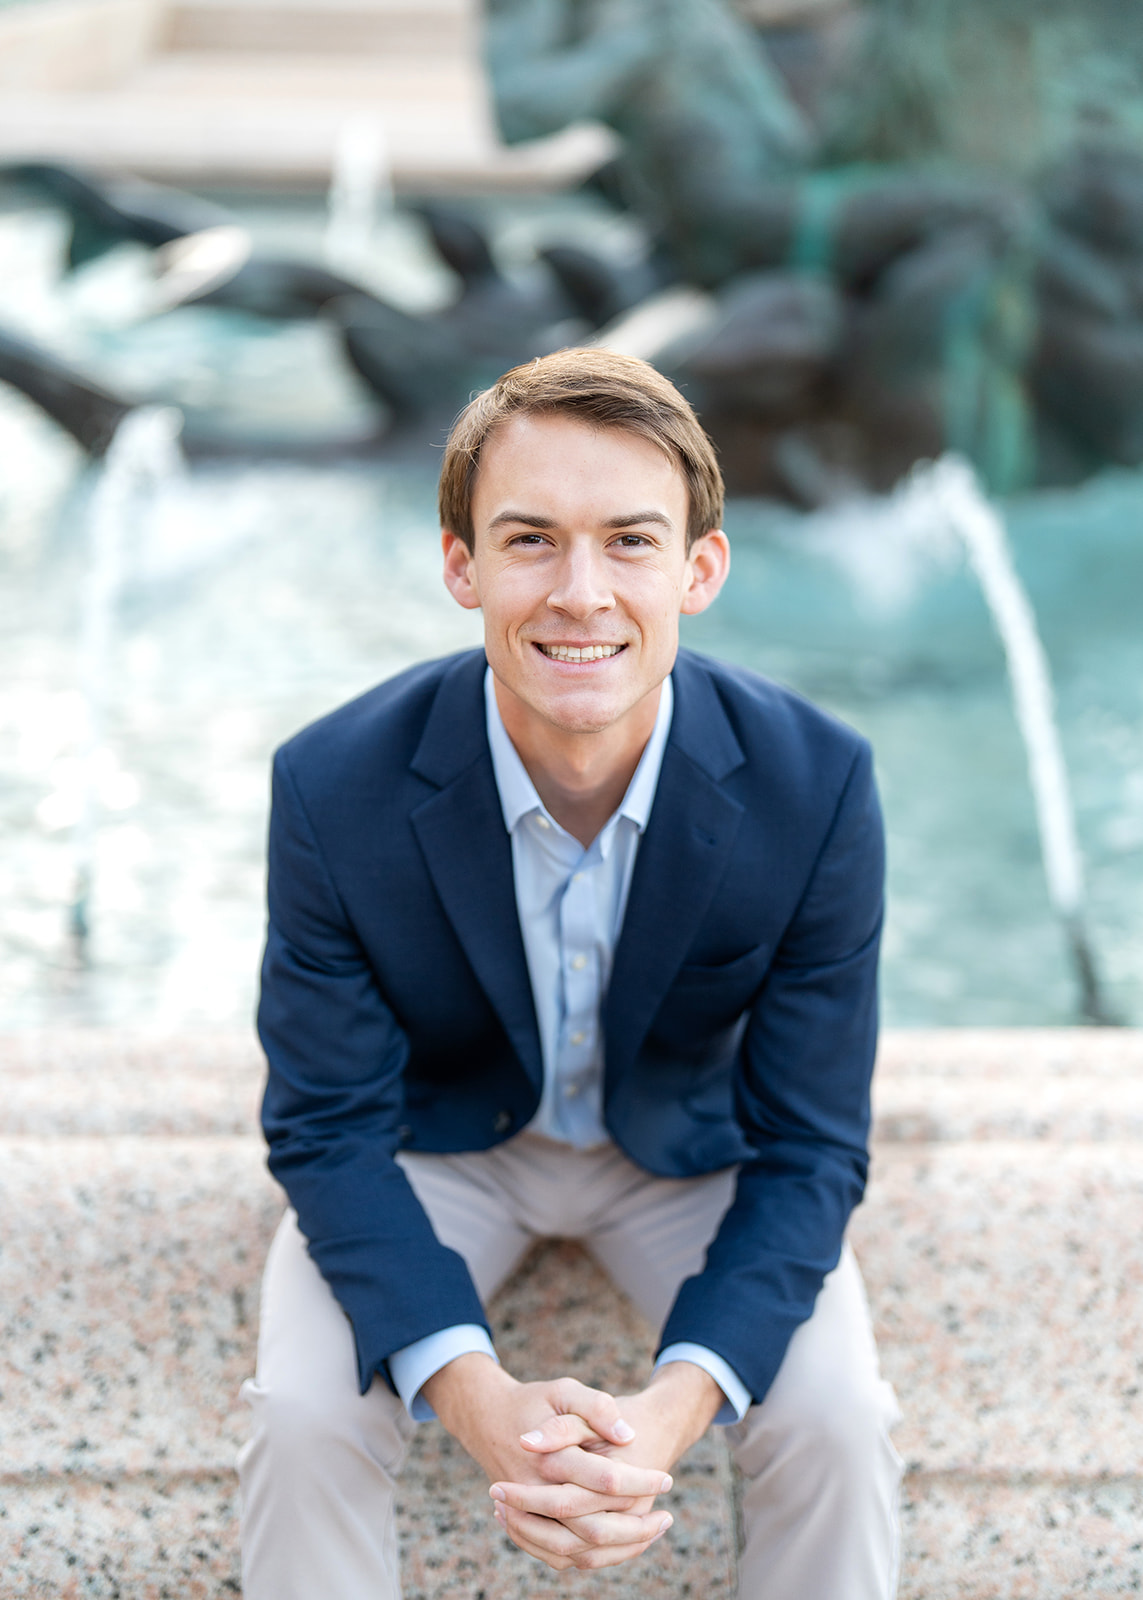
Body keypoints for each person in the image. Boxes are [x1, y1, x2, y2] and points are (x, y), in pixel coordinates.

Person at [238, 346, 903, 1599]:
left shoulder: (819, 787)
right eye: (531, 539)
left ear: (700, 568)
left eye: (631, 542)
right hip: (440, 1147)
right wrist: (474, 1392)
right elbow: (325, 1128)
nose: (581, 593)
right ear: (461, 564)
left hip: (691, 1156)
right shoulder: (332, 787)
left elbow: (814, 1143)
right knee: (304, 1415)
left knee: (839, 1421)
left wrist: (678, 1400)